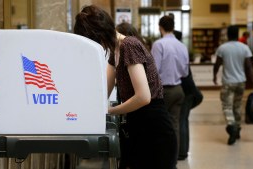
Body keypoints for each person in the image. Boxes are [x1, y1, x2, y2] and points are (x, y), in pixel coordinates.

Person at [74, 5, 178, 169]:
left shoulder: (128, 45)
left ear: (97, 35)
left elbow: (143, 97)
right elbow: (103, 92)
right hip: (138, 126)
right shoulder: (115, 50)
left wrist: (110, 110)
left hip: (155, 130)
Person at [151, 15, 189, 162]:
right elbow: (185, 72)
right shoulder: (182, 46)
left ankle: (162, 157)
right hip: (179, 89)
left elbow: (154, 71)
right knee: (174, 125)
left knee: (159, 125)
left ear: (160, 28)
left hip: (164, 91)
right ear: (173, 27)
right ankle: (173, 157)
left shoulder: (159, 44)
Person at [213, 25, 253, 145]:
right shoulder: (244, 48)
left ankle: (232, 126)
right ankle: (237, 129)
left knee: (227, 106)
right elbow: (249, 67)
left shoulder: (222, 48)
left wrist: (214, 76)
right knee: (237, 106)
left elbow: (217, 64)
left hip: (228, 82)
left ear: (227, 34)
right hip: (241, 82)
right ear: (238, 34)